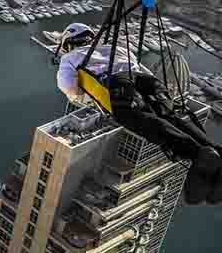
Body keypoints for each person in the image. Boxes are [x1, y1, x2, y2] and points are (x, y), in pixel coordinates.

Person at [56, 22, 222, 205]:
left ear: (68, 44)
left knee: (140, 120)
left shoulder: (70, 58)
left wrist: (83, 94)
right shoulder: (113, 47)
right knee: (169, 117)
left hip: (119, 83)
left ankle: (198, 154)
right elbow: (135, 66)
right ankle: (213, 150)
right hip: (149, 81)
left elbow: (68, 87)